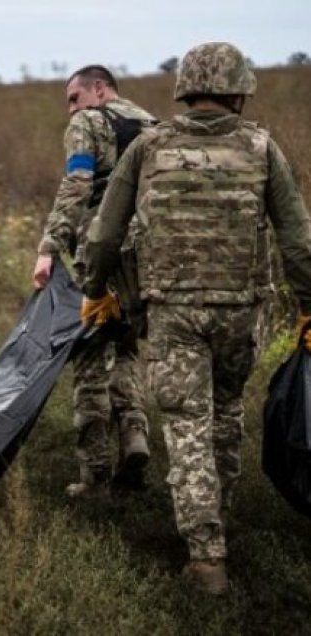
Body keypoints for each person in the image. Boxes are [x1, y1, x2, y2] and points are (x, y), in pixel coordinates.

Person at [81, 42, 311, 595]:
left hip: (173, 311)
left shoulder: (149, 146)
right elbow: (298, 240)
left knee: (187, 425)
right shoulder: (261, 148)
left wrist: (94, 289)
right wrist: (309, 306)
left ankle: (207, 556)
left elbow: (106, 234)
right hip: (241, 310)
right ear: (238, 90)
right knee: (226, 415)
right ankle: (219, 521)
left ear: (185, 88)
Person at [31, 65, 156, 497]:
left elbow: (77, 184)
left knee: (88, 357)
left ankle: (95, 477)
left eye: (73, 98)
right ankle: (135, 435)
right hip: (149, 260)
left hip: (102, 253)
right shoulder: (152, 125)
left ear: (99, 90)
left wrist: (49, 247)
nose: (71, 110)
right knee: (125, 347)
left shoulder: (88, 122)